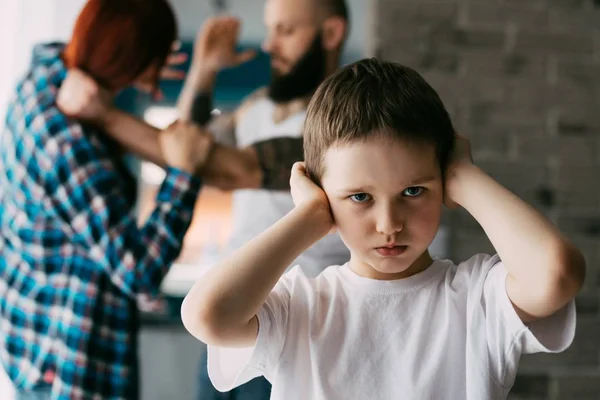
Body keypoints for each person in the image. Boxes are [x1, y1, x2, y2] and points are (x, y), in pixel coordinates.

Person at [180, 58, 586, 399]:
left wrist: (464, 177)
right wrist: (308, 219)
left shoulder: (477, 298)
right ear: (322, 194)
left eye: (413, 190)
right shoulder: (300, 306)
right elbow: (206, 317)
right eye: (359, 197)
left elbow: (557, 273)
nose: (389, 224)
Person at [58, 1, 353, 398]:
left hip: (297, 329)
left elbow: (226, 168)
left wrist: (102, 113)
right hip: (228, 316)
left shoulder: (345, 124)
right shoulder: (256, 106)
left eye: (286, 30)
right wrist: (205, 68)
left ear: (331, 33)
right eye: (270, 29)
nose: (270, 44)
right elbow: (185, 144)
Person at [0, 1, 214, 399]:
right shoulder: (65, 140)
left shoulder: (41, 80)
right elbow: (139, 270)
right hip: (68, 364)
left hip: (32, 340)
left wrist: (136, 65)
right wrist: (185, 175)